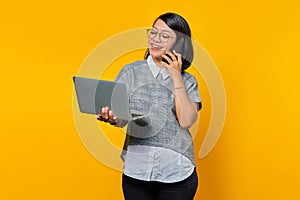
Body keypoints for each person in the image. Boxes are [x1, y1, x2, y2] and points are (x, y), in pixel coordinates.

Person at [97, 12, 202, 200]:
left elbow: (186, 121)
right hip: (136, 171)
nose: (155, 39)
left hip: (177, 173)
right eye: (153, 33)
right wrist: (112, 117)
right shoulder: (130, 72)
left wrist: (176, 76)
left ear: (179, 43)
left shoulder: (189, 81)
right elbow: (122, 118)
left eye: (165, 36)